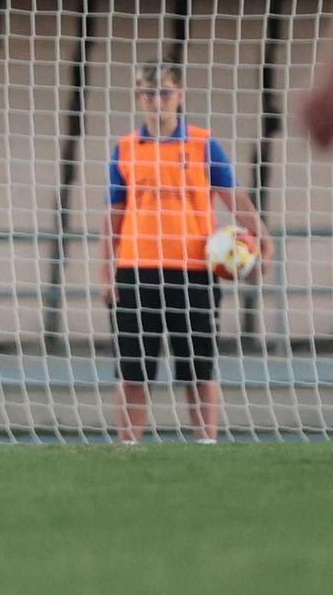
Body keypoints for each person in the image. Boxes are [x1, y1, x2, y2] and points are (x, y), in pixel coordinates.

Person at [99, 60, 274, 444]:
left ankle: (206, 444)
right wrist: (106, 274)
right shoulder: (125, 149)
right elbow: (112, 219)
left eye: (164, 91)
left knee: (198, 369)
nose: (156, 100)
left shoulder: (202, 143)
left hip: (194, 270)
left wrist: (263, 237)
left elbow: (234, 199)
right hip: (136, 270)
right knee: (132, 371)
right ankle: (127, 446)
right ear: (137, 97)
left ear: (179, 95)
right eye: (148, 92)